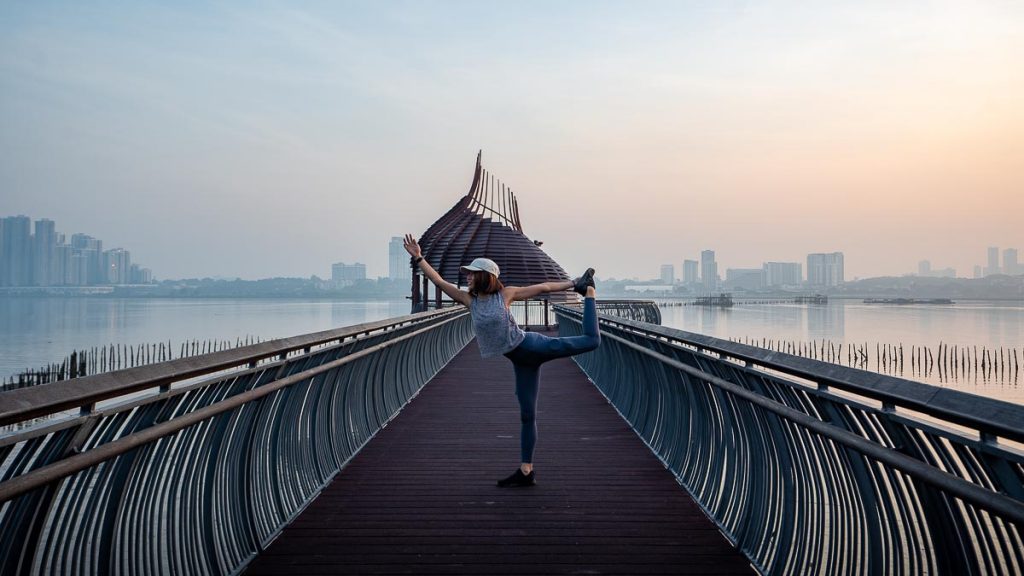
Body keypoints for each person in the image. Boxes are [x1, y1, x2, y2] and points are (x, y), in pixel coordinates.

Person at [403, 234, 600, 488]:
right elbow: (439, 281)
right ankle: (526, 471)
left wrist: (575, 284)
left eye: (473, 273)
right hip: (521, 361)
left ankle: (591, 292)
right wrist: (419, 257)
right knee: (527, 415)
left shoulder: (505, 295)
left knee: (591, 341)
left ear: (487, 276)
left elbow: (544, 288)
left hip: (533, 345)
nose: (468, 277)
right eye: (468, 274)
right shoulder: (470, 301)